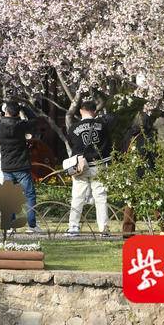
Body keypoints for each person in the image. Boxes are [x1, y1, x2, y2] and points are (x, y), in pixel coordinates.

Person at [0, 101, 42, 233]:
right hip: (21, 166)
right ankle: (32, 226)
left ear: (5, 111)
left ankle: (10, 225)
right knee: (30, 195)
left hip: (7, 166)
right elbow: (35, 120)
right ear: (17, 112)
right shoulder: (20, 125)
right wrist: (24, 107)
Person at [66, 99, 112, 236]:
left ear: (80, 111)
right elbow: (108, 144)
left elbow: (71, 144)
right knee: (101, 197)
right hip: (98, 165)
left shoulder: (73, 128)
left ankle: (73, 227)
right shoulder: (102, 125)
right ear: (95, 111)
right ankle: (103, 228)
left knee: (77, 196)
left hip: (80, 165)